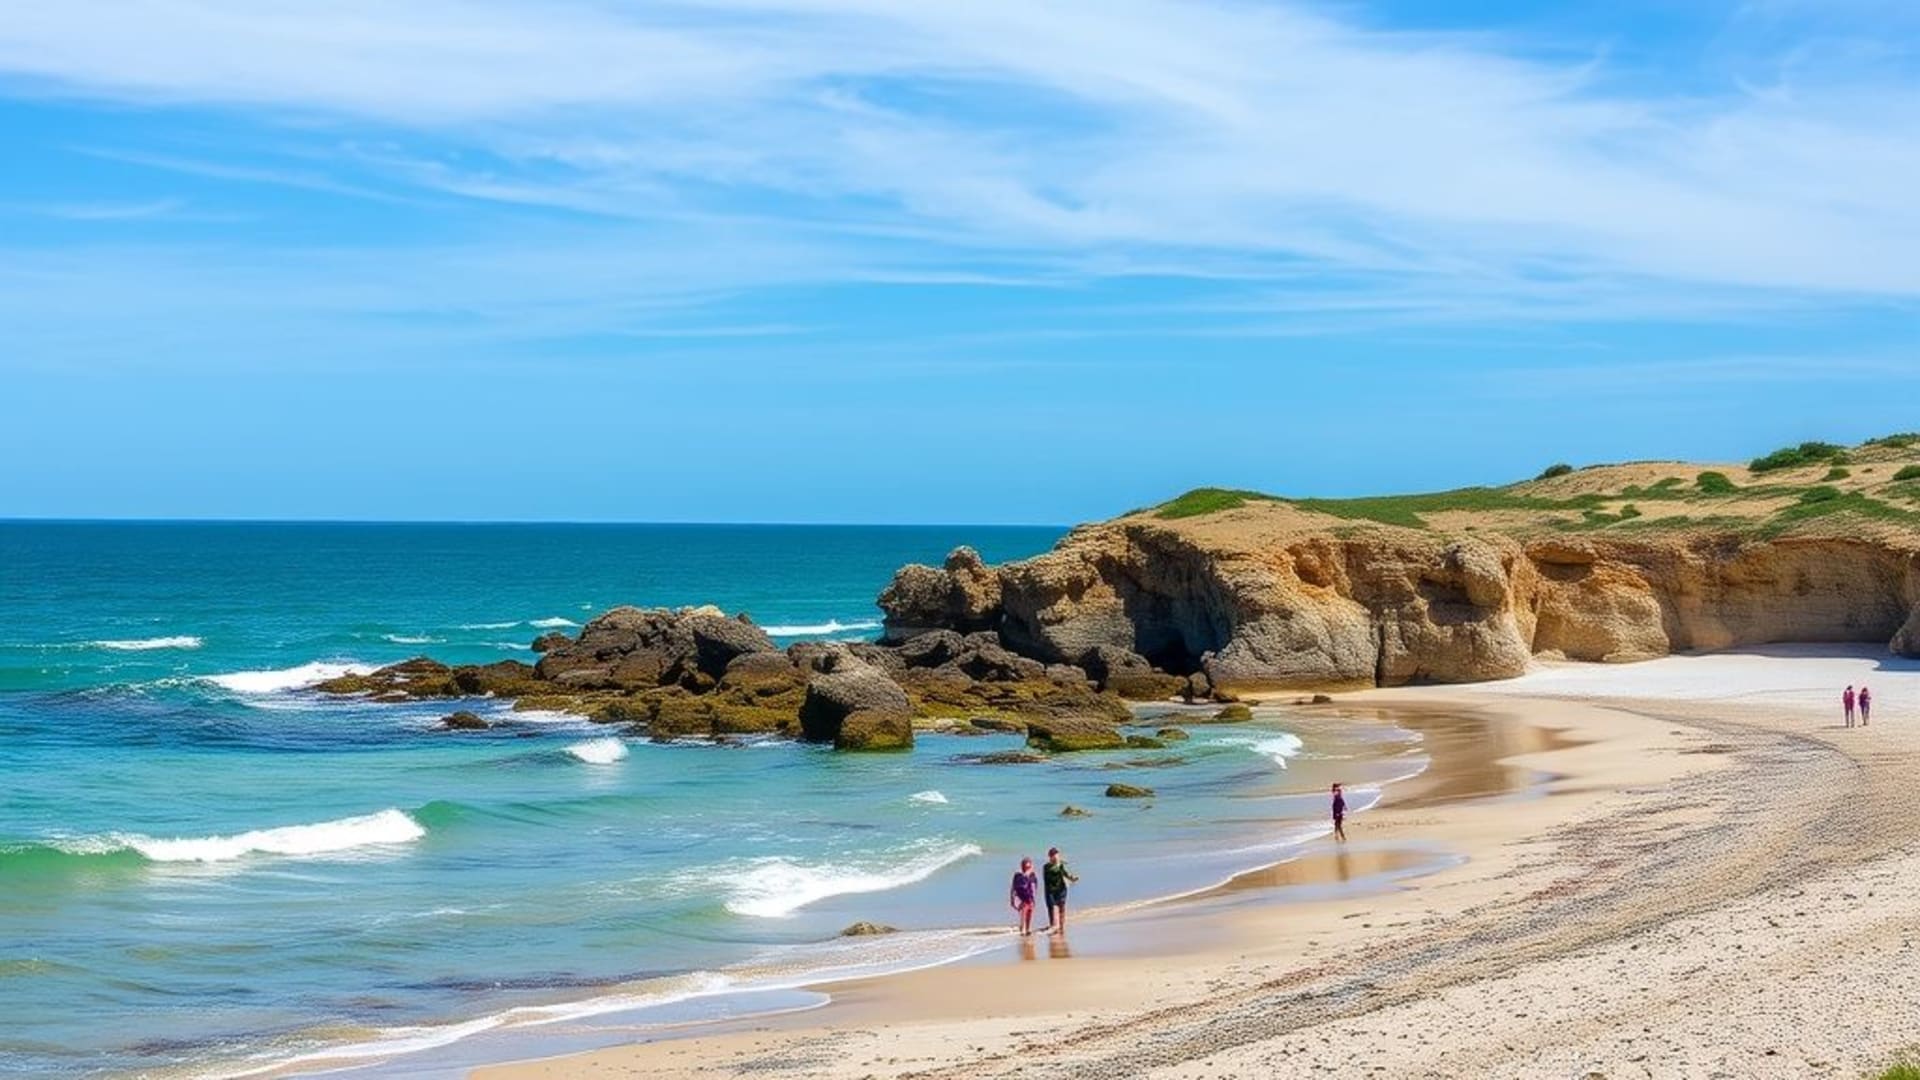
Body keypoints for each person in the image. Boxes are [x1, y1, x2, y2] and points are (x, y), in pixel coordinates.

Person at [1041, 847, 1078, 935]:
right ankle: (1053, 926)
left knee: (1062, 908)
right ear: (1050, 857)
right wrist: (1058, 863)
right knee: (1052, 908)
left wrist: (1072, 878)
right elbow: (1052, 871)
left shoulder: (1060, 865)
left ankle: (1061, 927)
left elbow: (1064, 873)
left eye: (1056, 855)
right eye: (1053, 855)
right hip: (1050, 890)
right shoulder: (1046, 867)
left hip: (1061, 889)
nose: (1055, 857)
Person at [1009, 857, 1039, 936]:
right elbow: (1014, 887)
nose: (1029, 868)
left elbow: (1034, 887)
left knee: (1030, 912)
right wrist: (1012, 899)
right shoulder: (1018, 875)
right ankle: (1023, 929)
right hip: (1023, 897)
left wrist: (1034, 897)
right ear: (1023, 866)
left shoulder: (1033, 875)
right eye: (1027, 866)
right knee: (1024, 912)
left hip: (1030, 897)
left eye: (1030, 866)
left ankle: (1028, 928)